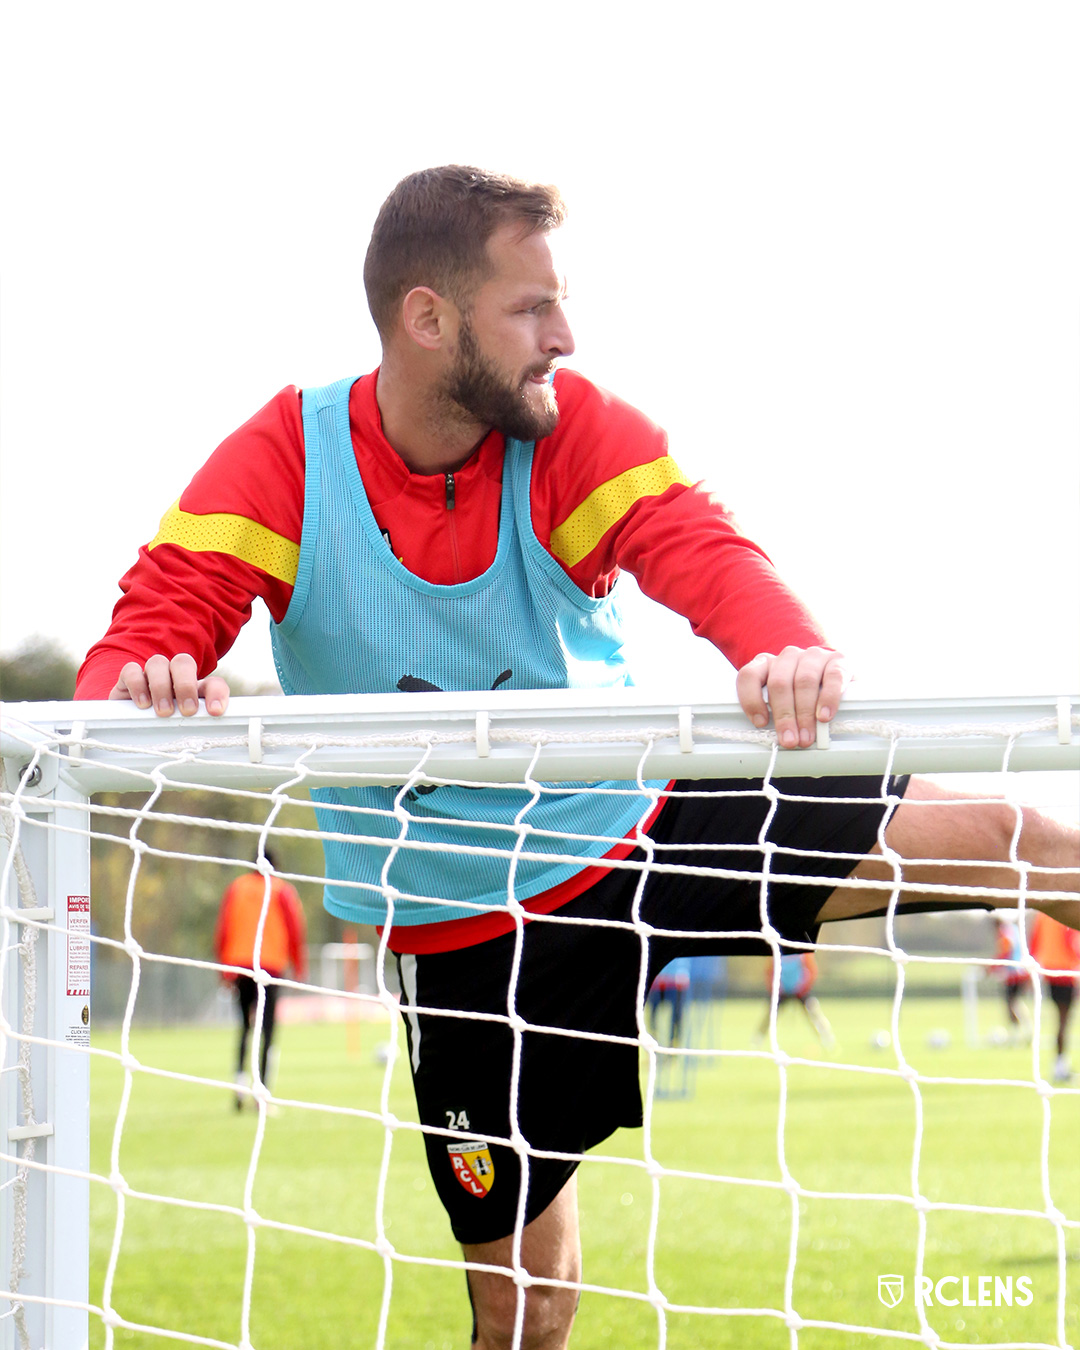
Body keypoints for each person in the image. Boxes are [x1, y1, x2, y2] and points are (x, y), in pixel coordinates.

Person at [74, 166, 1079, 1350]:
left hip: (642, 829)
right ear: (428, 318)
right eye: (532, 308)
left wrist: (786, 648)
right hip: (464, 932)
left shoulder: (569, 428)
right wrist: (148, 682)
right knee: (527, 1311)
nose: (565, 336)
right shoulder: (288, 456)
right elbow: (139, 644)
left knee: (1039, 846)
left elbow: (696, 546)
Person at [214, 850, 308, 1108]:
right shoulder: (281, 890)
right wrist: (299, 965)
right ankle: (262, 1093)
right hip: (269, 967)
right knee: (267, 1031)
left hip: (240, 965)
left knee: (244, 1028)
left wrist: (223, 969)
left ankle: (240, 1087)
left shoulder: (237, 887)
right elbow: (294, 929)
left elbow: (223, 928)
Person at [1029, 910, 1080, 1082]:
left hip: (1049, 969)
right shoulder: (1067, 913)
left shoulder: (1042, 915)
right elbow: (1072, 943)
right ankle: (1060, 1066)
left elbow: (1034, 942)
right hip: (1065, 971)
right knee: (1064, 1021)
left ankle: (1059, 1065)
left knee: (1061, 1020)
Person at [754, 951, 836, 1050]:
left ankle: (827, 1038)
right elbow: (769, 972)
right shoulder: (776, 954)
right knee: (770, 1015)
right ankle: (759, 1038)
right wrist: (776, 988)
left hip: (801, 990)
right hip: (781, 991)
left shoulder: (803, 955)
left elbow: (811, 971)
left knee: (814, 1012)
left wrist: (803, 986)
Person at [990, 913, 1032, 1044]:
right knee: (1015, 1004)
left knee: (1012, 1004)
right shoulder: (1013, 929)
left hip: (1014, 974)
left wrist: (993, 967)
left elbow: (1006, 951)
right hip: (1019, 972)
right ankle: (1025, 1032)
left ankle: (1020, 1033)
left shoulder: (1005, 933)